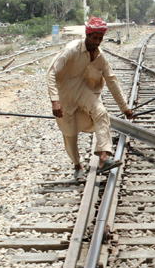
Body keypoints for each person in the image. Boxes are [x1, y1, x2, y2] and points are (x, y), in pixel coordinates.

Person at [47, 16, 133, 180]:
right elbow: (51, 73)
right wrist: (54, 100)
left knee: (101, 113)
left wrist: (125, 108)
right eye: (95, 38)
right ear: (87, 35)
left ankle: (103, 158)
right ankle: (77, 165)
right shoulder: (72, 50)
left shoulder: (100, 57)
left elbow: (112, 81)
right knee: (70, 134)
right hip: (64, 94)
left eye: (100, 38)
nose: (97, 42)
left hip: (82, 91)